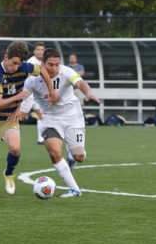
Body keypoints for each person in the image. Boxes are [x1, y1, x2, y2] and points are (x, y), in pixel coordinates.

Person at [9, 48, 100, 198]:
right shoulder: (32, 80)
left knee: (79, 157)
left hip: (73, 117)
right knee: (54, 152)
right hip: (51, 119)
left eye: (57, 64)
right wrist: (18, 111)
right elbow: (23, 97)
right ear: (43, 64)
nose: (54, 68)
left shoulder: (66, 72)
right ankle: (75, 190)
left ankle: (72, 154)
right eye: (50, 64)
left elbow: (80, 83)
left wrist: (88, 93)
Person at [0, 41, 59, 197]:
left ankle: (9, 173)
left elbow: (43, 71)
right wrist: (18, 97)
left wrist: (51, 91)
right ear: (6, 57)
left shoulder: (24, 67)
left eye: (19, 64)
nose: (16, 67)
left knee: (15, 148)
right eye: (13, 63)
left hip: (8, 118)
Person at [26, 42, 46, 144]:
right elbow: (29, 78)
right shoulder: (31, 61)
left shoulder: (44, 62)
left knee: (42, 115)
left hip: (37, 95)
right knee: (19, 116)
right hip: (29, 94)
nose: (40, 52)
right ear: (34, 51)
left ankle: (41, 138)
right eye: (38, 49)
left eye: (42, 50)